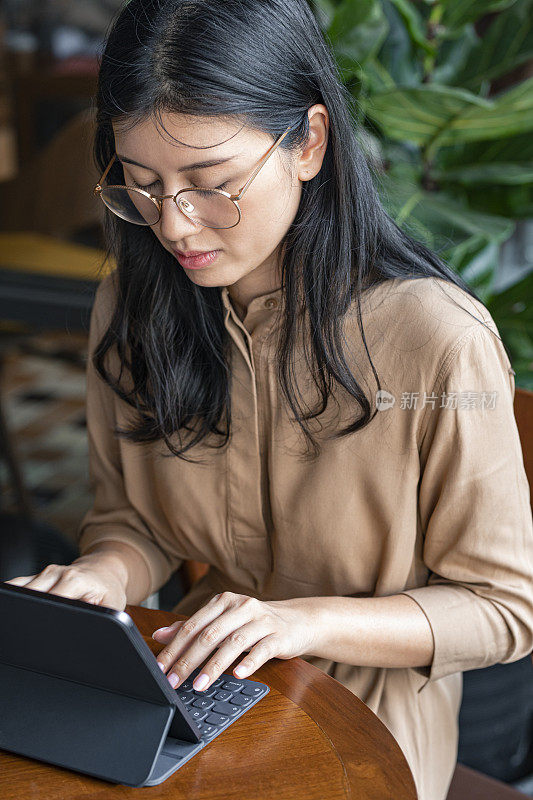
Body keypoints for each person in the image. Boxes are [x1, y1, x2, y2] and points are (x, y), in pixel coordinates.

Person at [7, 1, 533, 797]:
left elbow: (504, 610)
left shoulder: (433, 337)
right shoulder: (134, 307)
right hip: (194, 690)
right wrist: (103, 578)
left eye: (212, 185)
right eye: (141, 186)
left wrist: (300, 621)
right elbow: (133, 523)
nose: (176, 225)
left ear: (308, 143)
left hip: (369, 726)